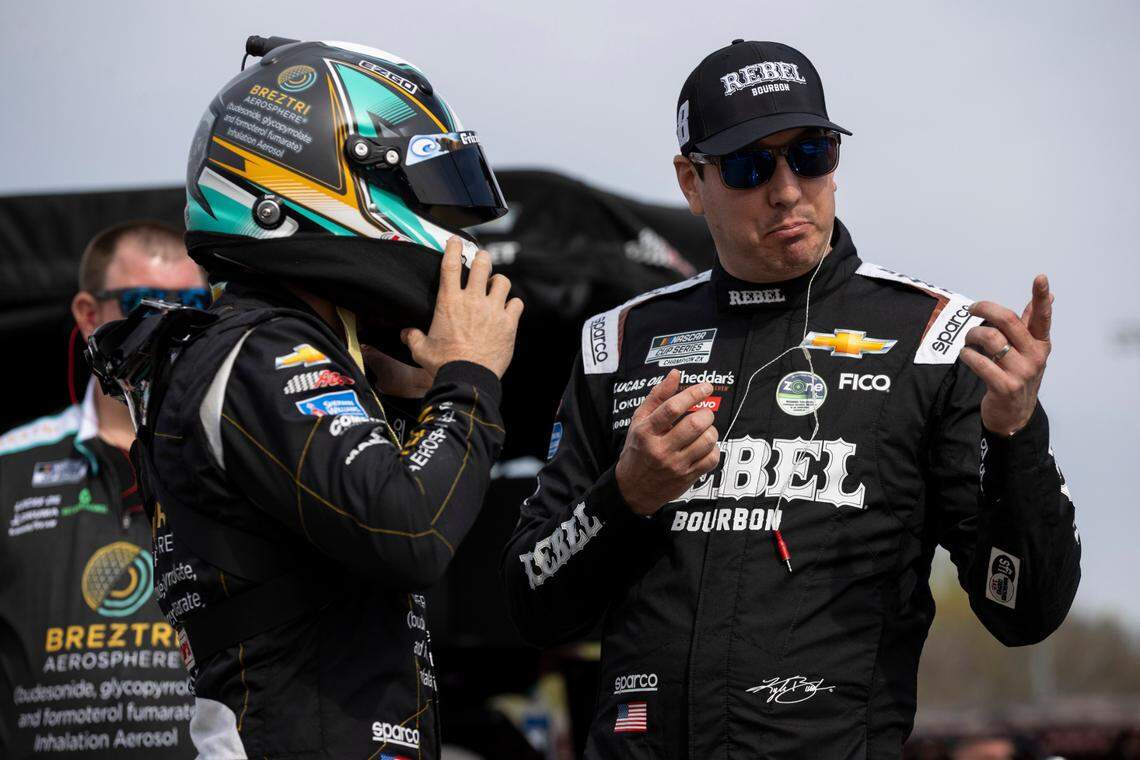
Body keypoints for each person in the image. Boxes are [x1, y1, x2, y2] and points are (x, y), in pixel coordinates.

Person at [501, 39, 1080, 758]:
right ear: (691, 181)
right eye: (749, 166)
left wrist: (1016, 441)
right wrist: (626, 497)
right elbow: (532, 603)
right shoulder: (617, 343)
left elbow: (1025, 612)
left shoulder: (934, 341)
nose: (786, 190)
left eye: (810, 155)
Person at [89, 37, 522, 759]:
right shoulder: (260, 349)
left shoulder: (277, 348)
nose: (445, 232)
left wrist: (418, 399)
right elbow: (411, 531)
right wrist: (468, 381)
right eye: (418, 190)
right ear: (321, 177)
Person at [0, 221, 206, 758]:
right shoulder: (9, 463)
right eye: (144, 303)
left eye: (191, 303)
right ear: (89, 315)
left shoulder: (237, 456)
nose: (171, 323)